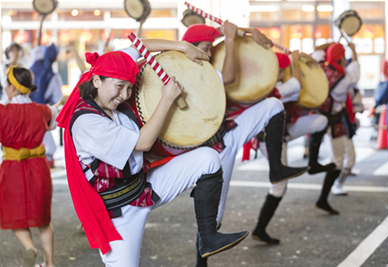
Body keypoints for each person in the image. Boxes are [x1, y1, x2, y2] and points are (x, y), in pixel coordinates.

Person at [56, 39, 248, 267]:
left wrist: (183, 47)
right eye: (119, 86)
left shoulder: (109, 85)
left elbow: (139, 45)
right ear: (97, 81)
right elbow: (144, 142)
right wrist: (167, 98)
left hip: (143, 186)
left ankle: (208, 237)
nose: (125, 94)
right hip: (120, 211)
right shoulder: (86, 122)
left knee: (208, 159)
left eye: (130, 87)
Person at [181, 23, 308, 267]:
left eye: (210, 48)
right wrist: (230, 39)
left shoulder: (203, 63)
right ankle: (201, 264)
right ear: (188, 48)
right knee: (214, 217)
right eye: (205, 47)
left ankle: (276, 168)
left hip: (229, 131)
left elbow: (221, 29)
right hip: (210, 150)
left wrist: (249, 31)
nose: (209, 52)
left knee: (273, 106)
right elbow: (228, 76)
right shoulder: (190, 70)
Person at [252, 51, 335, 244]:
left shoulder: (261, 83)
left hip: (281, 132)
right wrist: (296, 61)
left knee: (321, 121)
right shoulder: (279, 87)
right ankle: (260, 229)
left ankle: (313, 163)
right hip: (270, 140)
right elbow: (297, 82)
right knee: (279, 185)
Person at [0, 66, 66, 267]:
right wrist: (62, 101)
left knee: (16, 217)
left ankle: (30, 247)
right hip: (39, 167)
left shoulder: (2, 112)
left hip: (12, 167)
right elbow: (55, 113)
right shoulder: (42, 111)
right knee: (43, 219)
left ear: (11, 88)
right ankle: (50, 263)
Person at [316, 42, 360, 214]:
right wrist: (353, 50)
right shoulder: (344, 79)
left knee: (338, 159)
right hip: (334, 122)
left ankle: (323, 195)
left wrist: (331, 45)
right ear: (342, 59)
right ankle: (323, 198)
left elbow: (318, 51)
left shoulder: (320, 69)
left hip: (319, 118)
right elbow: (355, 71)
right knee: (338, 161)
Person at [29, 43, 64, 166]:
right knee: (49, 147)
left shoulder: (29, 69)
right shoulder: (53, 77)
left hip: (22, 111)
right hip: (40, 114)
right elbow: (58, 99)